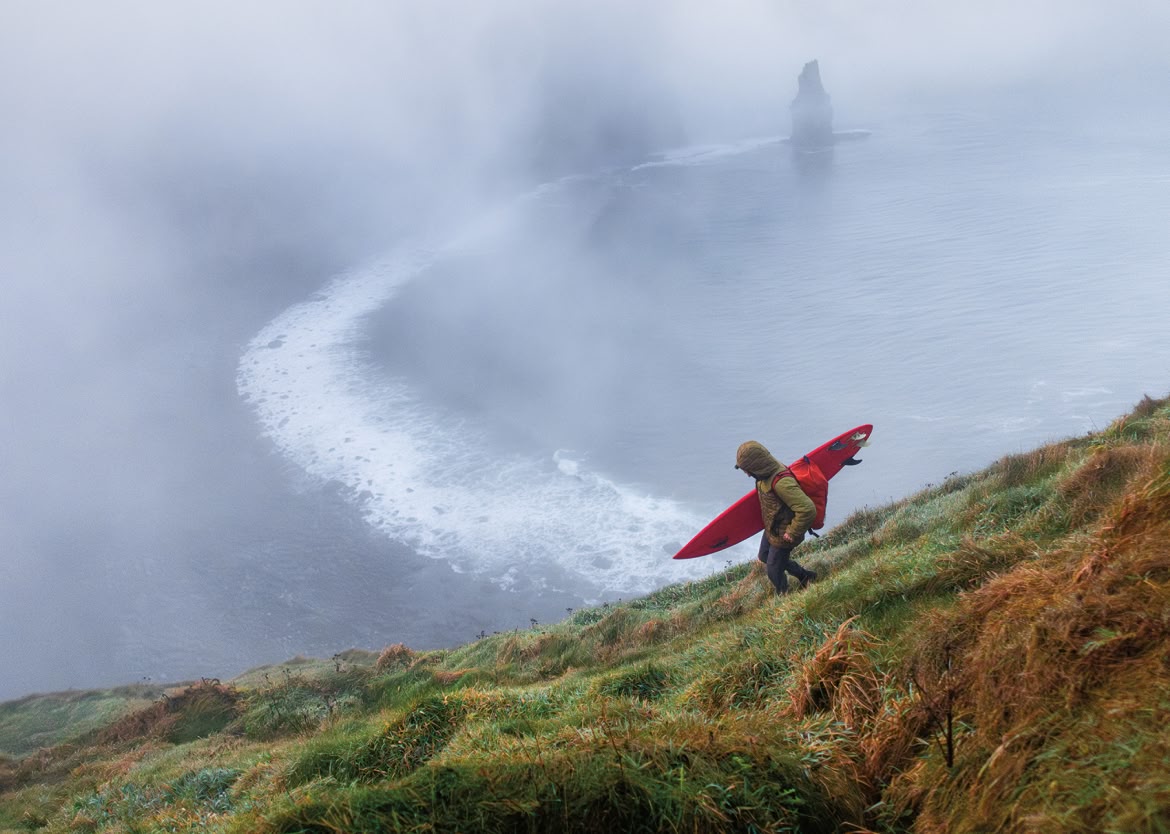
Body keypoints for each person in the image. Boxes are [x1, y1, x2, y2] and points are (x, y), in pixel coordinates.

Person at [735, 440, 818, 594]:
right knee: (765, 555)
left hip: (785, 532)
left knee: (773, 570)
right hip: (773, 527)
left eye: (747, 470)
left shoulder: (781, 483)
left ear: (757, 465)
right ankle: (806, 576)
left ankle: (784, 594)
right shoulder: (764, 475)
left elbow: (807, 509)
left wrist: (792, 532)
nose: (746, 474)